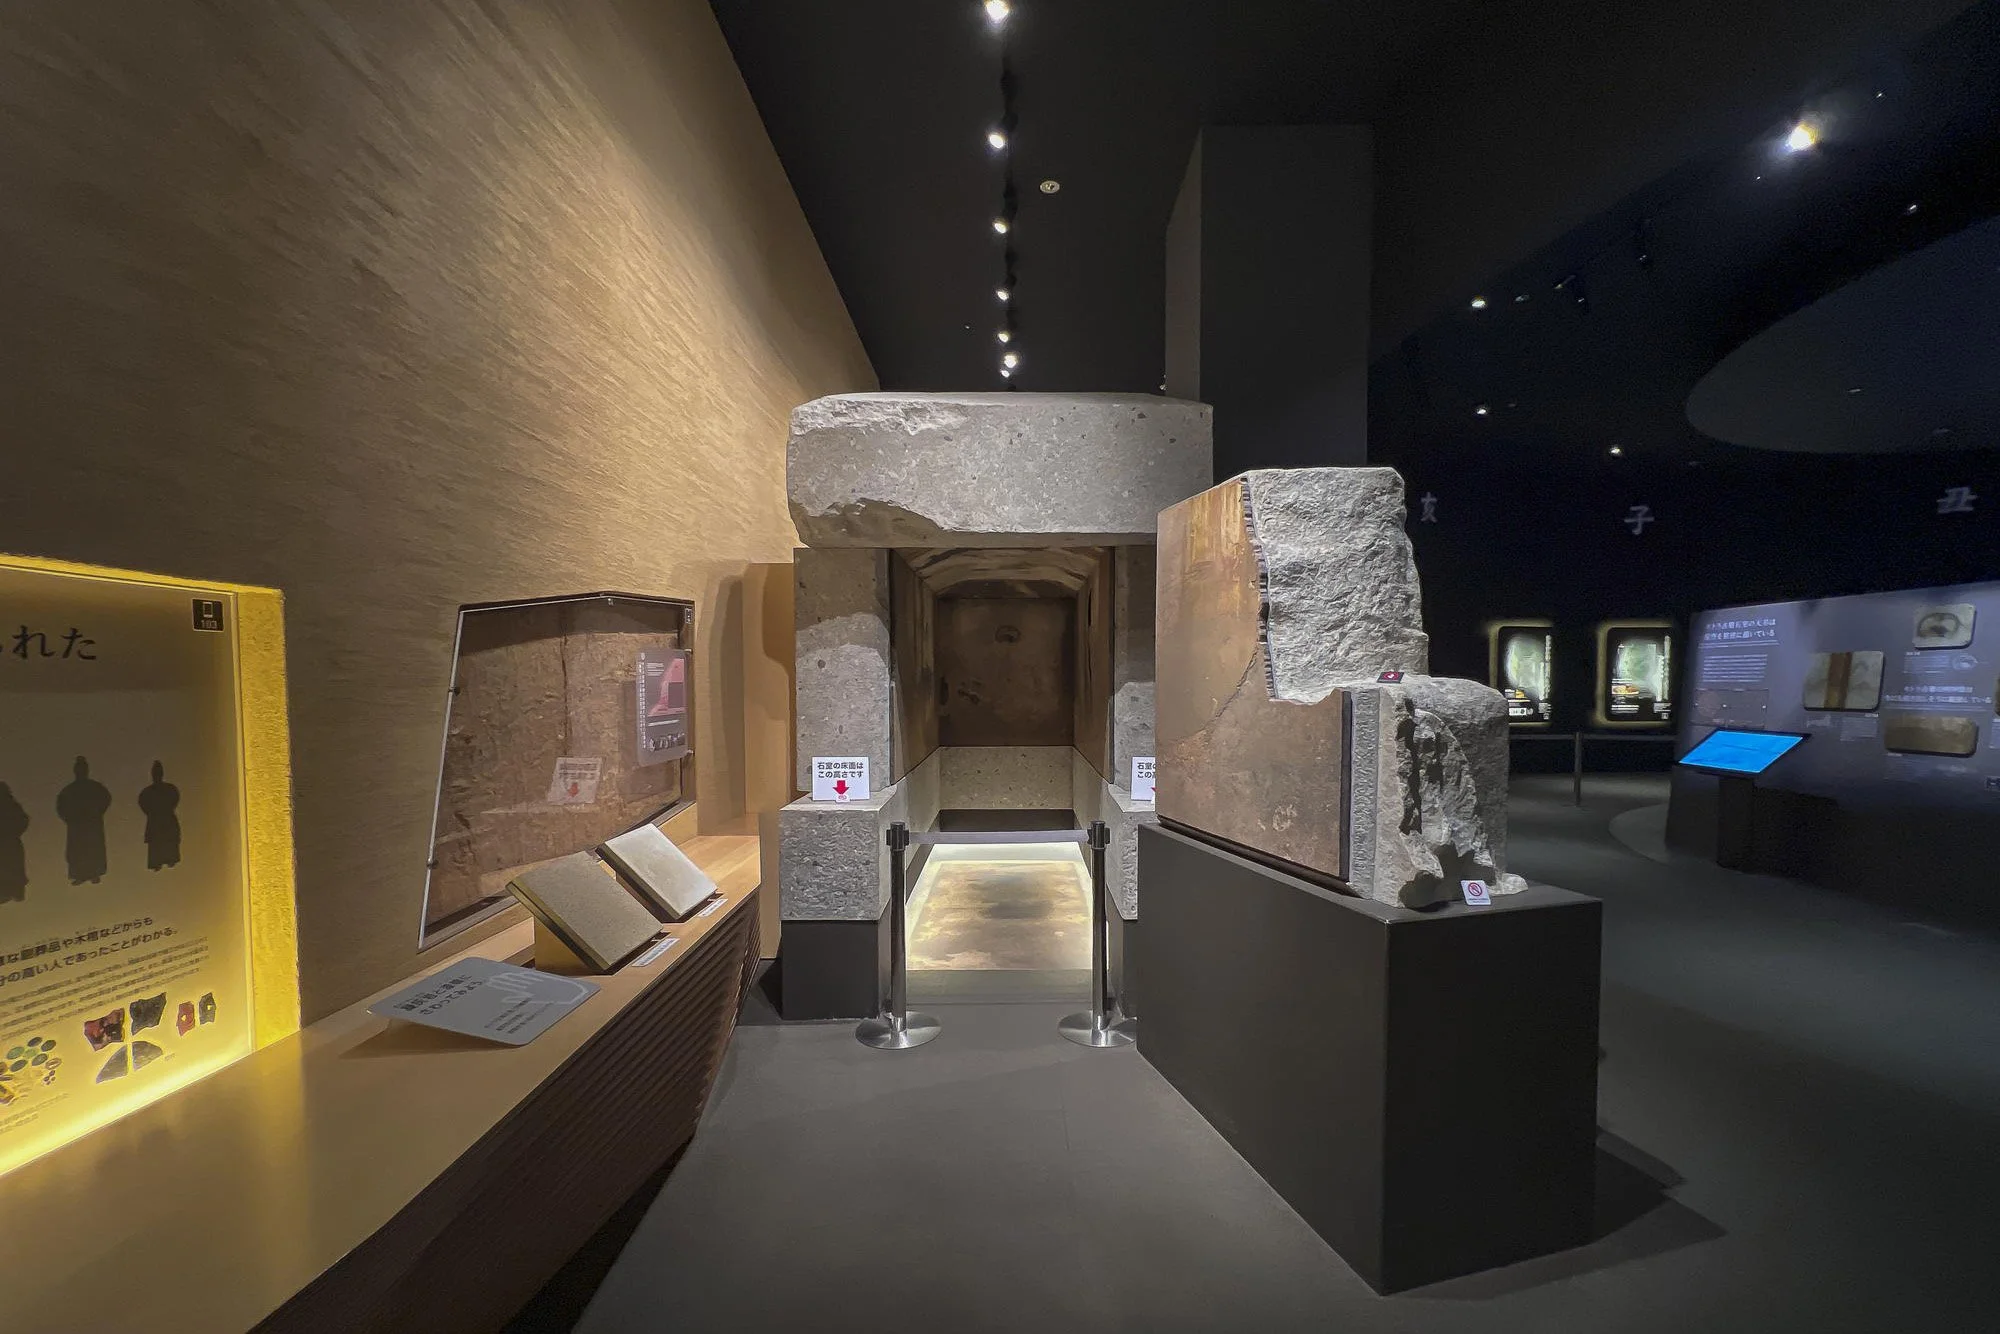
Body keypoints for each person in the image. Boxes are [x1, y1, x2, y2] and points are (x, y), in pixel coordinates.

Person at [56, 756, 112, 885]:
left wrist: (97, 812)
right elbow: (61, 806)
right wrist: (70, 819)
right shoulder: (69, 790)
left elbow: (105, 799)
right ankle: (79, 874)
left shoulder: (95, 787)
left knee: (93, 848)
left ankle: (94, 873)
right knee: (77, 851)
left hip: (92, 823)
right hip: (76, 825)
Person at [138, 760, 182, 871]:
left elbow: (175, 800)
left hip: (165, 819)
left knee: (168, 842)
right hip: (156, 820)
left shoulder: (169, 789)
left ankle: (169, 860)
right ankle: (158, 863)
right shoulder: (148, 792)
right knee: (157, 844)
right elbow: (143, 804)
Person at [0, 783, 27, 903]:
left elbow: (22, 821)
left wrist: (12, 832)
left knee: (12, 867)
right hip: (10, 842)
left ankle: (13, 891)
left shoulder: (12, 806)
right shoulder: (13, 805)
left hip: (10, 843)